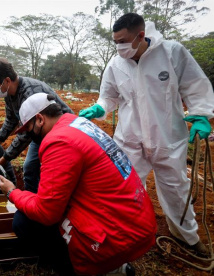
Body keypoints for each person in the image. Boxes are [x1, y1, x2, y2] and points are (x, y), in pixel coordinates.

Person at [78, 13, 214, 255]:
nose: (119, 47)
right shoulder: (115, 64)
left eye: (123, 41)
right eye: (115, 41)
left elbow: (194, 85)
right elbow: (109, 96)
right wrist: (100, 107)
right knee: (125, 188)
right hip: (130, 138)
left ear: (141, 35)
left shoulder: (172, 53)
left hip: (168, 137)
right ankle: (129, 233)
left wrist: (202, 114)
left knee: (176, 189)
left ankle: (187, 236)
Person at [0, 93, 157, 275]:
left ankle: (80, 267)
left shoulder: (58, 141)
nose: (28, 135)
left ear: (40, 119)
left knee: (24, 221)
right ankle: (114, 267)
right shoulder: (78, 124)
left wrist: (12, 192)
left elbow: (46, 212)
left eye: (28, 129)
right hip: (136, 220)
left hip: (119, 236)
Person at [0, 57, 73, 194]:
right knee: (30, 167)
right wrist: (0, 139)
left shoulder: (31, 92)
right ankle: (32, 201)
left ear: (7, 81)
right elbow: (11, 119)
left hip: (62, 133)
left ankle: (44, 203)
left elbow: (25, 134)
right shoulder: (9, 93)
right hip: (39, 132)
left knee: (53, 171)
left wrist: (5, 158)